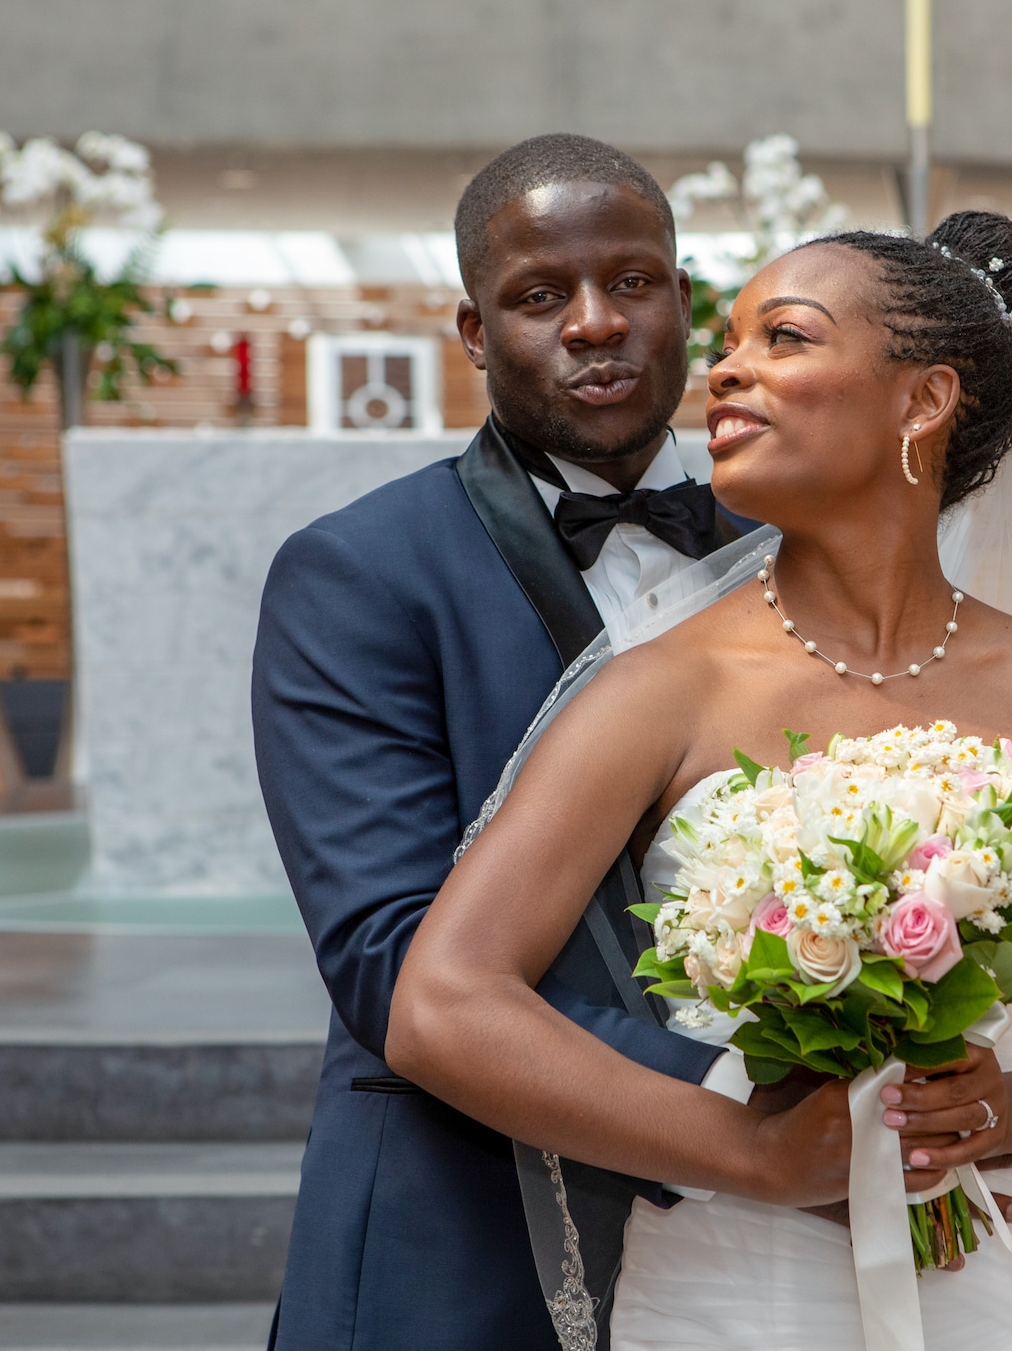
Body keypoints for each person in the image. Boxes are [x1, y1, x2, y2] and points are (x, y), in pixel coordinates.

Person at [387, 212, 1012, 1350]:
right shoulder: (660, 688)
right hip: (734, 1283)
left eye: (783, 337)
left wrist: (996, 1108)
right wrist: (754, 1153)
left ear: (922, 401)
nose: (724, 368)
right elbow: (442, 1005)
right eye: (728, 339)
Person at [251, 134, 757, 1350]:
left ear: (681, 304)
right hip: (467, 1222)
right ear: (475, 333)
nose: (594, 323)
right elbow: (390, 956)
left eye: (632, 282)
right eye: (539, 297)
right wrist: (751, 1115)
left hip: (761, 1257)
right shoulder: (361, 573)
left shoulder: (784, 548)